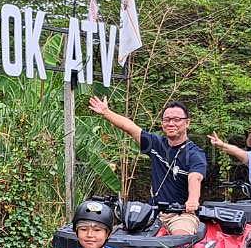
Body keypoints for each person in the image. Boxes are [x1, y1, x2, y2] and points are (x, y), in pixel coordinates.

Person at [88, 96, 207, 234]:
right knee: (118, 235)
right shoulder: (156, 143)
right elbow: (131, 128)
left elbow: (195, 178)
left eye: (177, 120)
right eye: (167, 120)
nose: (171, 123)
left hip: (180, 215)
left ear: (187, 123)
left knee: (179, 240)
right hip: (152, 212)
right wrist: (106, 112)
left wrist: (192, 200)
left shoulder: (194, 153)